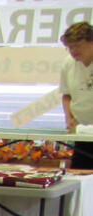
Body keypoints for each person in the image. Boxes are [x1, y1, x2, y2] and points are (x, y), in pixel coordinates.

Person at [62, 22, 93, 170]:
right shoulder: (68, 63)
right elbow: (66, 94)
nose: (73, 51)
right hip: (81, 134)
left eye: (78, 46)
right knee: (80, 176)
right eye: (70, 47)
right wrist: (69, 117)